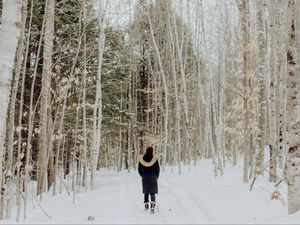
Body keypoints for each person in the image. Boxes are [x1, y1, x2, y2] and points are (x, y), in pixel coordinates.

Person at [138, 146, 160, 213]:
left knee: (146, 191)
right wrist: (156, 176)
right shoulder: (155, 159)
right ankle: (152, 206)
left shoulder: (142, 159)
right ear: (152, 151)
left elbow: (139, 170)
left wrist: (142, 175)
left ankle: (146, 206)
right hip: (153, 177)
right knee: (152, 192)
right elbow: (158, 169)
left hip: (145, 176)